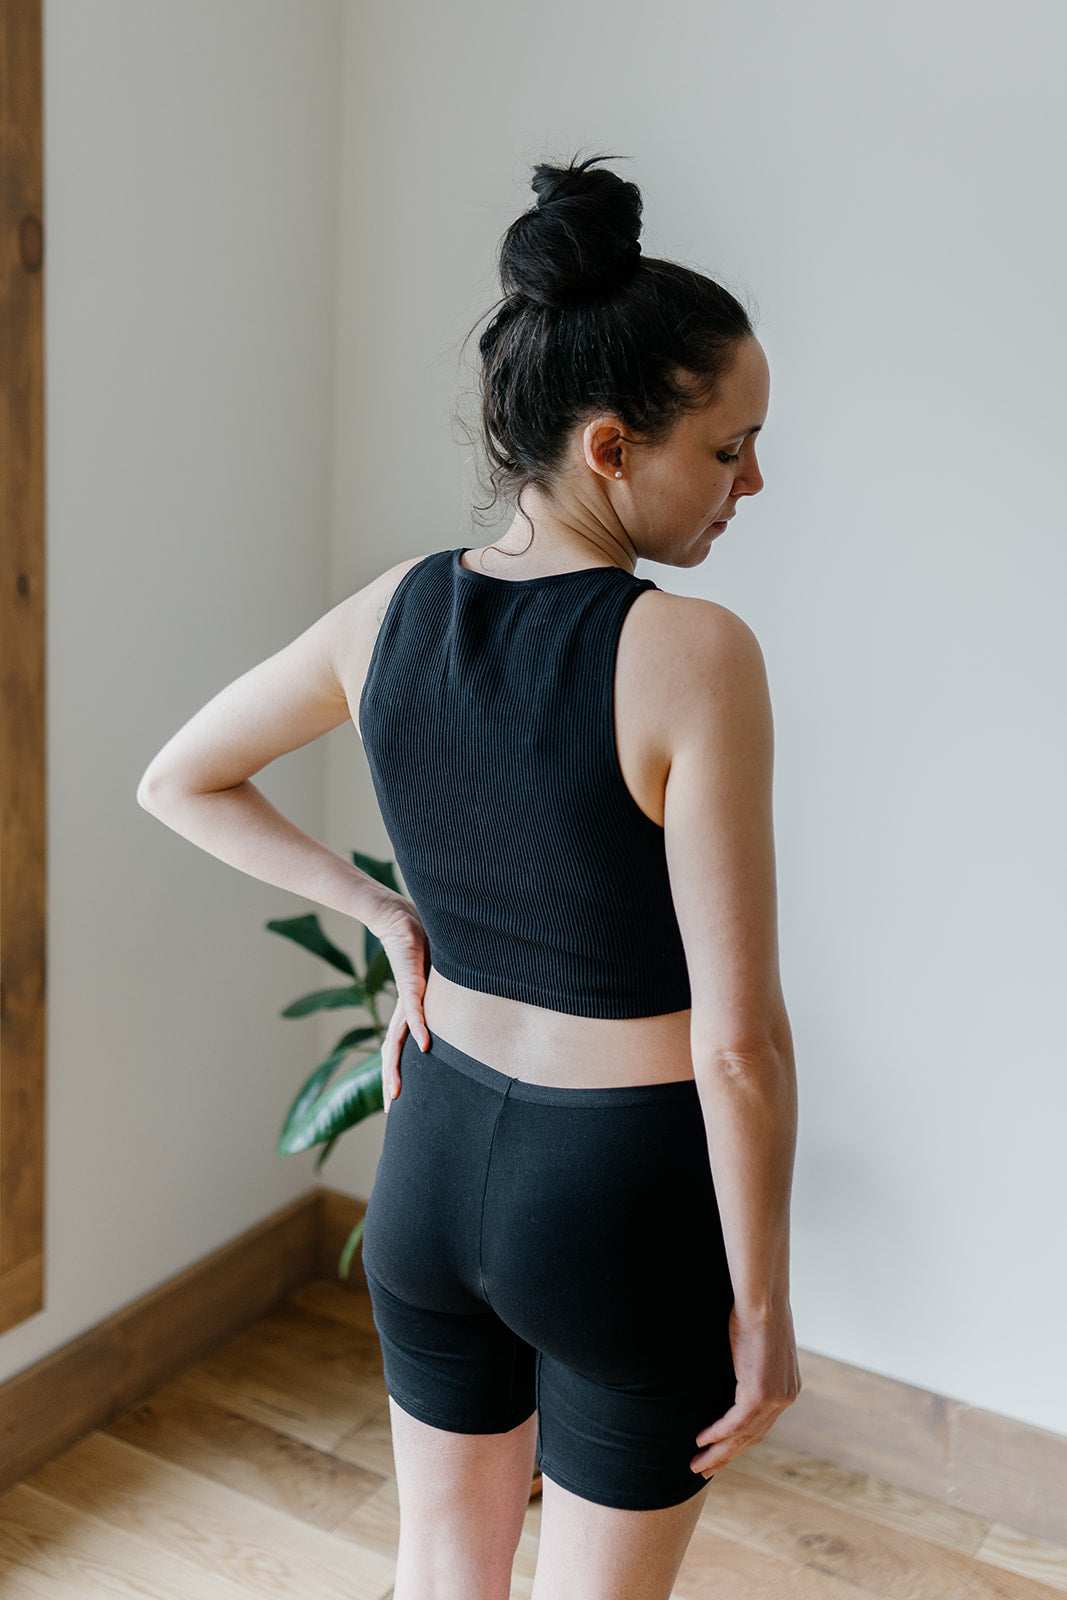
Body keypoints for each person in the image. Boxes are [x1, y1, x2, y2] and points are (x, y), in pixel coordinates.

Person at [137, 149, 800, 1600]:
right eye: (730, 446)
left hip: (432, 1161)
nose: (754, 479)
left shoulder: (389, 613)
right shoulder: (692, 653)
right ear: (614, 446)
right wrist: (762, 1305)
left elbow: (176, 774)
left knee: (442, 1567)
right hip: (621, 1192)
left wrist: (382, 912)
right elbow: (739, 1042)